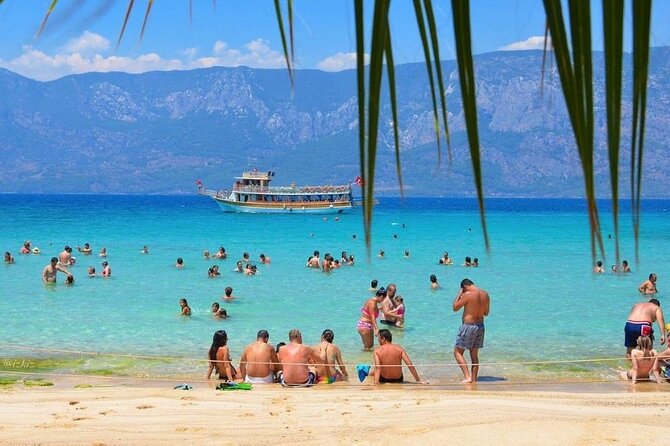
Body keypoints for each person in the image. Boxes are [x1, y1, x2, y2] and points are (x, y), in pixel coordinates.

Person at [452, 278, 490, 383]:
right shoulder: (485, 294)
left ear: (464, 287)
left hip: (468, 326)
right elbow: (486, 313)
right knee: (474, 354)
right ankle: (473, 379)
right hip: (480, 326)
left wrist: (460, 294)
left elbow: (455, 307)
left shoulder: (467, 294)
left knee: (457, 352)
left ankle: (467, 376)